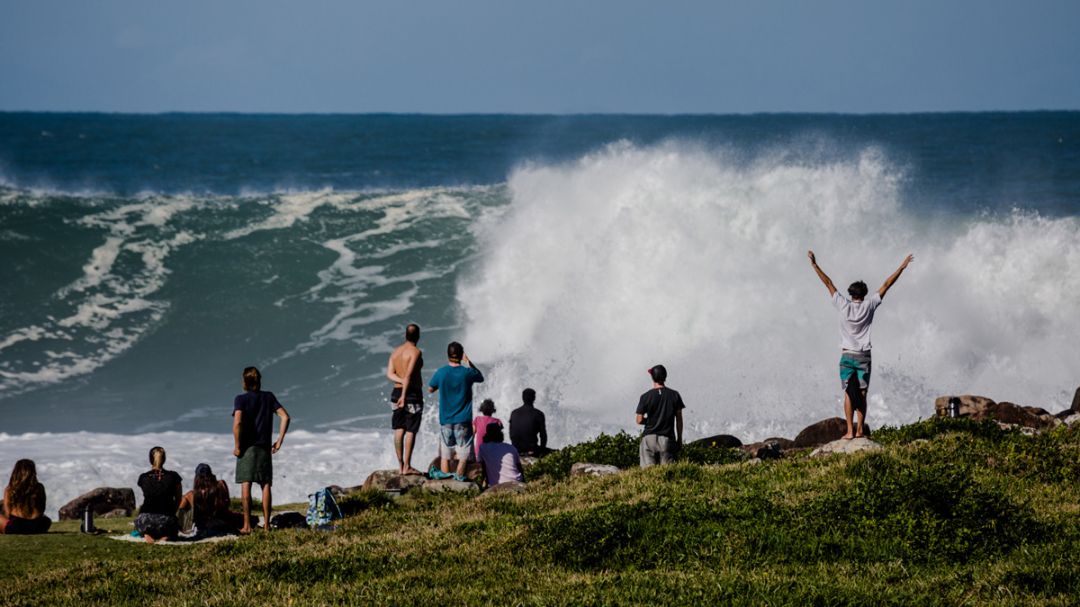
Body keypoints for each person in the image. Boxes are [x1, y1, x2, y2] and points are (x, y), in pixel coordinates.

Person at [808, 250, 914, 439]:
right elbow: (887, 284)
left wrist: (815, 265)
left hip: (847, 355)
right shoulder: (870, 305)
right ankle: (859, 431)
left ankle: (849, 430)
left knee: (849, 393)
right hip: (864, 356)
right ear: (864, 294)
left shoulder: (843, 305)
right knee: (862, 393)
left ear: (850, 293)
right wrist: (902, 267)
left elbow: (828, 283)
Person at [233, 366, 291, 533]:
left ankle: (247, 526)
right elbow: (285, 417)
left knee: (246, 484)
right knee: (265, 485)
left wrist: (237, 446)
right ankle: (266, 525)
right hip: (264, 447)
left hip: (247, 448)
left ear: (244, 382)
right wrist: (279, 441)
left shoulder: (240, 399)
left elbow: (237, 423)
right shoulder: (268, 397)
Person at [427, 342, 484, 482]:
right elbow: (480, 377)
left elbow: (430, 388)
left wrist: (440, 386)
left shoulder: (441, 372)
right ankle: (459, 480)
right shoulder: (467, 373)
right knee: (463, 453)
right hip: (463, 420)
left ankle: (446, 485)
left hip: (446, 420)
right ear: (461, 355)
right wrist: (468, 361)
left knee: (446, 454)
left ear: (447, 354)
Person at [386, 323, 424, 475]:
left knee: (399, 428)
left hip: (395, 392)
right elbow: (408, 376)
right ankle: (407, 466)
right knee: (411, 430)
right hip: (412, 394)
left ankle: (400, 465)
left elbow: (389, 374)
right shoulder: (415, 352)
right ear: (418, 336)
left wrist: (400, 385)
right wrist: (404, 395)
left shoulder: (395, 352)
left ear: (405, 335)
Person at [635, 365, 685, 468]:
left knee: (648, 474)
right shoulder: (674, 395)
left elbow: (639, 420)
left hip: (649, 439)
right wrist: (679, 440)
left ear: (652, 377)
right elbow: (679, 420)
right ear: (665, 377)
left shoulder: (645, 396)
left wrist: (651, 420)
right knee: (668, 473)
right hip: (667, 439)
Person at [177, 463, 242, 536]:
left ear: (197, 478)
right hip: (223, 524)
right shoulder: (221, 485)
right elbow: (227, 505)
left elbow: (178, 513)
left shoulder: (190, 495)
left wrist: (183, 528)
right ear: (211, 475)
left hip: (202, 528)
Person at [134, 446, 182, 542]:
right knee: (172, 525)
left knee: (142, 521)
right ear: (164, 459)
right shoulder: (174, 476)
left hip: (145, 519)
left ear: (150, 460)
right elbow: (178, 498)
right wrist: (172, 513)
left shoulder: (143, 477)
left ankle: (147, 534)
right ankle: (166, 536)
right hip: (166, 519)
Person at [0, 459, 51, 535]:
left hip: (17, 527)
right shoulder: (40, 487)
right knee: (46, 519)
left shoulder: (9, 489)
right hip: (39, 525)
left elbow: (8, 514)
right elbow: (42, 508)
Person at [509, 388, 552, 457]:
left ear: (522, 398)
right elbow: (543, 436)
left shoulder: (514, 413)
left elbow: (511, 434)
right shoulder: (538, 414)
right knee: (555, 452)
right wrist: (541, 451)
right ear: (534, 398)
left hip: (516, 449)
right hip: (532, 449)